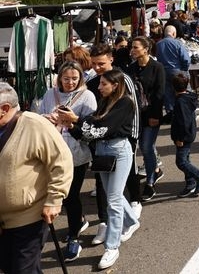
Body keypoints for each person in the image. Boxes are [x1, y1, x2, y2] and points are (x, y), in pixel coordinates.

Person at [59, 69, 140, 270]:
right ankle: (131, 221)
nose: (99, 87)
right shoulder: (105, 101)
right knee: (114, 195)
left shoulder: (125, 103)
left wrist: (76, 121)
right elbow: (91, 130)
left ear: (115, 85)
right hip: (102, 152)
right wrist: (70, 125)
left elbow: (103, 128)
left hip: (119, 150)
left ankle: (112, 246)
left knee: (112, 199)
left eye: (104, 84)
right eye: (100, 83)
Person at [0, 82, 73, 274]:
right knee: (10, 268)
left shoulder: (33, 124)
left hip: (29, 217)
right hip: (3, 221)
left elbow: (61, 161)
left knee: (22, 271)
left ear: (4, 109)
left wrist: (55, 199)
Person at [38, 61, 97, 262]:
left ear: (80, 78)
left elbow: (91, 128)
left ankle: (74, 237)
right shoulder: (49, 94)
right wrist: (48, 119)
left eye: (74, 78)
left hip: (76, 154)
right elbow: (38, 119)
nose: (70, 82)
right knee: (51, 195)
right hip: (51, 152)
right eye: (66, 78)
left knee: (70, 196)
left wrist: (73, 120)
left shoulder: (87, 96)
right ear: (59, 78)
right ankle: (77, 222)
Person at [86, 43, 141, 245]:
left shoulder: (123, 79)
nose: (97, 67)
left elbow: (132, 109)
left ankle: (113, 242)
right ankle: (105, 222)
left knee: (117, 191)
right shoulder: (92, 81)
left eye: (100, 63)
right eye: (93, 64)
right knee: (106, 188)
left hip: (122, 140)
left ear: (111, 58)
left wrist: (134, 137)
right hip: (100, 142)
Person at [126, 36, 166, 201]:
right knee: (140, 147)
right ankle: (155, 170)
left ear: (145, 49)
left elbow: (159, 93)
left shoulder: (157, 67)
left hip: (151, 114)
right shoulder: (131, 68)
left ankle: (150, 182)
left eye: (136, 47)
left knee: (147, 146)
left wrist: (155, 116)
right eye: (132, 47)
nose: (133, 50)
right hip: (135, 116)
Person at [170, 73, 199, 198]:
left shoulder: (181, 102)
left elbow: (183, 122)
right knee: (186, 159)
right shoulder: (188, 98)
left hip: (183, 137)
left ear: (173, 87)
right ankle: (190, 183)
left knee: (181, 162)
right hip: (189, 134)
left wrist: (180, 138)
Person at [155, 25, 191, 116]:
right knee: (184, 93)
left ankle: (171, 114)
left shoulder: (158, 44)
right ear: (174, 33)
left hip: (164, 72)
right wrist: (184, 70)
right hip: (177, 70)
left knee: (168, 94)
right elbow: (186, 59)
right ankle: (188, 113)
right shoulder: (177, 43)